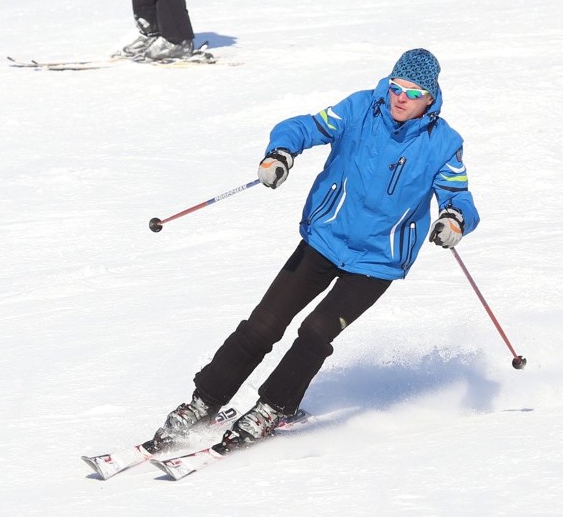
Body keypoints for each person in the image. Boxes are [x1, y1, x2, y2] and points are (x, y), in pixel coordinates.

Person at [150, 48, 480, 452]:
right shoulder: (361, 107)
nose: (399, 98)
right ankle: (204, 400)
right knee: (263, 324)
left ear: (430, 98)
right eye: (395, 87)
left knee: (317, 330)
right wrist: (280, 151)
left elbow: (457, 194)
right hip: (325, 237)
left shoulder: (444, 143)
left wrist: (454, 220)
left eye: (412, 93)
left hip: (377, 261)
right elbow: (306, 126)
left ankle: (274, 406)